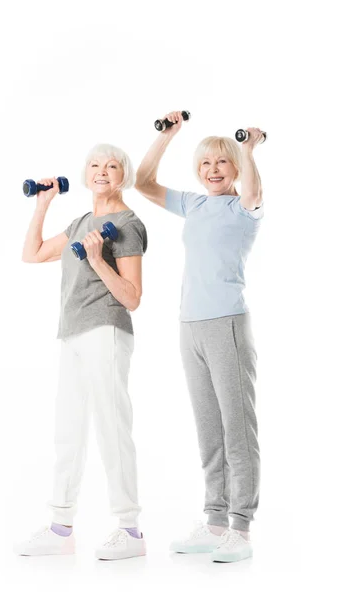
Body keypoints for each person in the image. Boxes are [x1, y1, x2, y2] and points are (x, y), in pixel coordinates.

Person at [135, 112, 264, 563]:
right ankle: (214, 521)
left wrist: (247, 150)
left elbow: (253, 191)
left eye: (221, 163)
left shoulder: (243, 207)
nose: (212, 169)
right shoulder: (193, 204)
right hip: (189, 325)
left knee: (237, 428)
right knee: (209, 427)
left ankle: (241, 530)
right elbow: (143, 181)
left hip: (227, 323)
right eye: (205, 163)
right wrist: (167, 136)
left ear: (234, 169)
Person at [15, 144, 148, 561]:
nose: (102, 171)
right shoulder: (80, 222)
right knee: (68, 430)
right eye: (94, 165)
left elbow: (132, 297)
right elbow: (32, 254)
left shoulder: (127, 224)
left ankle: (130, 530)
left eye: (112, 166)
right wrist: (44, 203)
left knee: (112, 426)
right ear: (86, 174)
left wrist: (96, 259)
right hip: (71, 333)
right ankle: (60, 528)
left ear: (122, 175)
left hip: (106, 330)